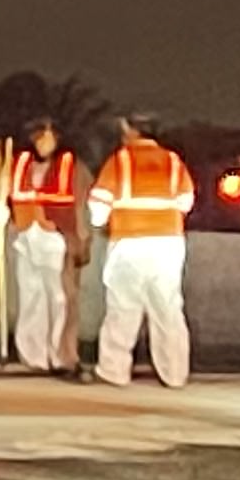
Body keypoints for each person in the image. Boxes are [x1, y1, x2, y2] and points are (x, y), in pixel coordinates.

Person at [89, 111, 197, 387]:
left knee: (123, 307)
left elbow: (99, 203)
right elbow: (186, 201)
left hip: (128, 242)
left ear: (132, 131)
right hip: (168, 243)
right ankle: (174, 373)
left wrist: (101, 223)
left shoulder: (120, 160)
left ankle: (113, 371)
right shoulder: (173, 161)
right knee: (168, 307)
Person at [1, 114, 83, 376]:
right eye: (40, 137)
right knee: (31, 296)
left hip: (53, 236)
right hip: (26, 235)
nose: (44, 143)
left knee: (57, 298)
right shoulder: (21, 162)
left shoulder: (68, 164)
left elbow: (73, 201)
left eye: (49, 137)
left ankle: (57, 354)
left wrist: (77, 238)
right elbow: (5, 192)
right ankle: (32, 355)